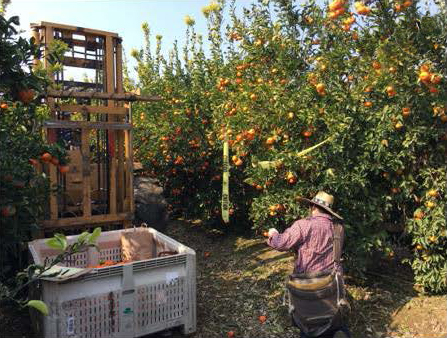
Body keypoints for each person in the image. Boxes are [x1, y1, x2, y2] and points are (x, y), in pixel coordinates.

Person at [266, 191, 350, 338]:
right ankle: (337, 332)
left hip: (308, 284)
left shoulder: (303, 225)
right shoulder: (339, 228)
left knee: (308, 324)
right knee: (333, 317)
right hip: (332, 282)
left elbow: (281, 243)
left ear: (312, 206)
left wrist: (273, 233)